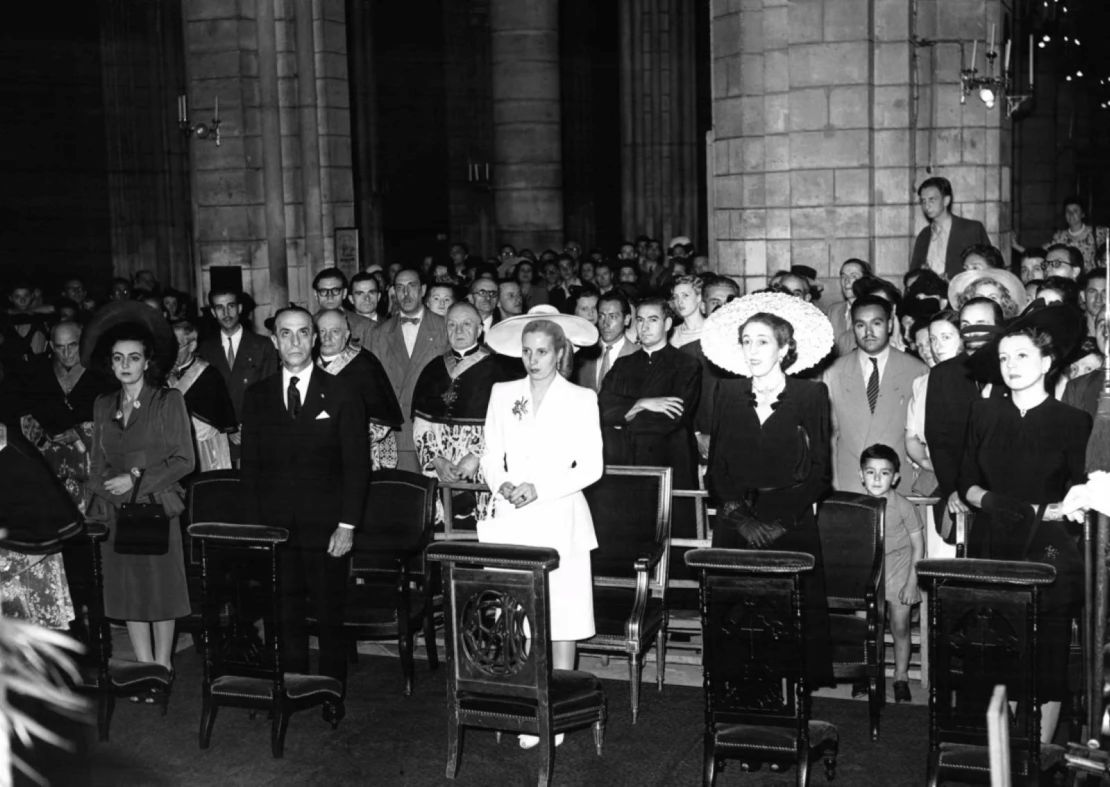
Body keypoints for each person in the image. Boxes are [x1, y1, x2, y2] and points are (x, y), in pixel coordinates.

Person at [959, 303, 1091, 743]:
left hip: (1047, 549)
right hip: (992, 541)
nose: (1011, 366)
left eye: (1022, 356)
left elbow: (1079, 494)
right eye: (1004, 357)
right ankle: (1005, 755)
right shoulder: (983, 415)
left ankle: (1038, 757)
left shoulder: (1073, 422)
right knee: (996, 652)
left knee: (1046, 658)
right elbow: (965, 486)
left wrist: (1054, 510)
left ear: (1047, 363)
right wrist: (998, 503)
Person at [480, 311, 602, 749]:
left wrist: (540, 488)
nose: (533, 360)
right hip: (513, 515)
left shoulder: (580, 398)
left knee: (562, 614)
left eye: (543, 352)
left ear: (561, 352)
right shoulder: (503, 393)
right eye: (527, 351)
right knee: (517, 615)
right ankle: (525, 703)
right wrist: (504, 483)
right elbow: (490, 454)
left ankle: (560, 712)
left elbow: (591, 466)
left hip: (560, 515)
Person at [700, 290, 835, 685]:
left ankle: (791, 705)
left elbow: (819, 472)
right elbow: (716, 471)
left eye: (763, 341)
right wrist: (741, 520)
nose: (753, 350)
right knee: (735, 619)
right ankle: (736, 699)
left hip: (789, 526)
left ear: (784, 348)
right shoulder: (725, 393)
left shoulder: (811, 395)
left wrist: (778, 523)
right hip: (735, 524)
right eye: (746, 341)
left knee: (786, 623)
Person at [240, 306, 369, 697]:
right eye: (286, 334)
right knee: (284, 613)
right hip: (276, 529)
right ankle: (293, 688)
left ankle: (330, 693)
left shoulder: (343, 393)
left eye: (302, 333)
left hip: (328, 529)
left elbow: (357, 466)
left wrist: (347, 525)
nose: (295, 342)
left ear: (314, 339)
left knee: (330, 615)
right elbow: (251, 471)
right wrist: (255, 530)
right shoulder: (258, 396)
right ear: (275, 341)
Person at [83, 304, 194, 682]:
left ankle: (163, 666)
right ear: (111, 364)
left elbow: (184, 461)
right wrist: (112, 491)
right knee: (130, 592)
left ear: (147, 362)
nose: (125, 365)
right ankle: (144, 669)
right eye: (118, 358)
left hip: (157, 506)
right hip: (117, 513)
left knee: (160, 592)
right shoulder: (102, 405)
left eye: (133, 358)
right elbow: (95, 468)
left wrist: (134, 479)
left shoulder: (168, 401)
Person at [413, 303, 521, 529]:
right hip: (442, 471)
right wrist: (437, 461)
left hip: (481, 469)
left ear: (480, 330)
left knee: (480, 534)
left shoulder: (501, 368)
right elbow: (421, 425)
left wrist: (476, 458)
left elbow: (507, 426)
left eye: (466, 324)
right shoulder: (433, 368)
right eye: (452, 325)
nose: (458, 331)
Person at [823, 294, 928, 491]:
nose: (868, 332)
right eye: (860, 325)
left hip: (900, 485)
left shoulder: (917, 371)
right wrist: (833, 484)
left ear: (889, 325)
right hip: (849, 484)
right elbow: (830, 436)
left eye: (876, 323)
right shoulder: (834, 372)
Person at [924, 297, 1006, 541]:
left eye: (981, 322)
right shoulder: (944, 374)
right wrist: (954, 489)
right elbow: (939, 440)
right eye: (967, 323)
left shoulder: (1013, 370)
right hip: (963, 495)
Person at [598, 297, 701, 492]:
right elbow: (602, 408)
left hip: (670, 460)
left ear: (668, 324)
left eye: (653, 320)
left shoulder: (686, 365)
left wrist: (622, 419)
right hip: (627, 460)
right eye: (640, 320)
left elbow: (672, 417)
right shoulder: (623, 364)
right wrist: (641, 403)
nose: (644, 327)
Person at [857, 444, 922, 703]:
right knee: (864, 627)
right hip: (868, 575)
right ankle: (865, 674)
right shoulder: (857, 505)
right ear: (861, 475)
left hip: (899, 573)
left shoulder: (904, 507)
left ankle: (901, 677)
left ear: (895, 477)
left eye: (884, 473)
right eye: (870, 472)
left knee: (900, 627)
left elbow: (918, 545)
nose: (876, 478)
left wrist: (911, 583)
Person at [368, 268, 448, 471]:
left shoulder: (444, 328)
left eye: (411, 286)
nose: (406, 294)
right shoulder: (380, 333)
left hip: (433, 432)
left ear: (423, 290)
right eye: (400, 288)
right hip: (395, 433)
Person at [196, 287, 278, 462]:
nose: (226, 313)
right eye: (219, 308)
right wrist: (228, 428)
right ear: (212, 312)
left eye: (231, 306)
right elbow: (204, 399)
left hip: (255, 433)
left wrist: (246, 426)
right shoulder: (205, 349)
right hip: (219, 438)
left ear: (240, 308)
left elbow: (269, 393)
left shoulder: (263, 346)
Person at [315, 309, 402, 471]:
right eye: (322, 331)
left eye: (335, 331)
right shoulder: (306, 363)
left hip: (358, 454)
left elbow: (381, 421)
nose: (327, 338)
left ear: (346, 335)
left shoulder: (365, 364)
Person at [167, 319, 236, 471]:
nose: (170, 352)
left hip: (201, 448)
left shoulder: (208, 374)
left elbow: (217, 417)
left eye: (176, 346)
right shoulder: (160, 375)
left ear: (192, 346)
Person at [910, 176, 991, 278]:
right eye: (923, 201)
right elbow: (913, 274)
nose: (927, 205)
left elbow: (991, 267)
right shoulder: (924, 235)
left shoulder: (972, 229)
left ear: (946, 201)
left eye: (932, 200)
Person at [575, 291, 636, 392]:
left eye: (612, 317)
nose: (605, 323)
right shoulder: (583, 354)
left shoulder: (639, 355)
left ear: (626, 319)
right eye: (601, 316)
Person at [1049, 195, 1108, 271]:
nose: (1071, 214)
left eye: (1075, 211)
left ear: (1083, 214)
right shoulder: (1059, 236)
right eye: (1068, 211)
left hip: (1090, 278)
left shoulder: (1098, 232)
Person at [346, 271, 382, 350]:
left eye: (371, 292)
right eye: (360, 293)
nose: (367, 298)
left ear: (378, 296)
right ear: (351, 299)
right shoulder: (344, 328)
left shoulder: (391, 326)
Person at [669, 275, 706, 348]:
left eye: (685, 295)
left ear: (699, 297)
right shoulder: (672, 333)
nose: (679, 301)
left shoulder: (712, 329)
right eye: (676, 297)